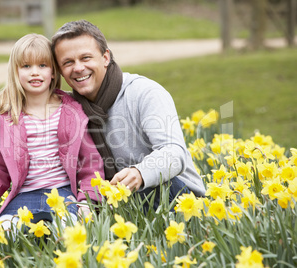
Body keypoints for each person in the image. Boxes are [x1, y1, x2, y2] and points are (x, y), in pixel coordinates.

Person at [51, 20, 206, 210]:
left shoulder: (144, 92)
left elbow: (174, 152)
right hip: (118, 200)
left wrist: (140, 173)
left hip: (178, 195)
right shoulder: (68, 109)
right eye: (68, 62)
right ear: (59, 71)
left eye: (86, 58)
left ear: (105, 57)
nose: (78, 68)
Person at [0, 33, 104, 230]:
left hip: (63, 195)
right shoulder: (6, 118)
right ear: (15, 72)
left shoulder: (72, 112)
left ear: (53, 72)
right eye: (26, 66)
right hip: (23, 197)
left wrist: (87, 202)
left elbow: (90, 164)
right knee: (3, 233)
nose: (35, 72)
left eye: (42, 65)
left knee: (70, 232)